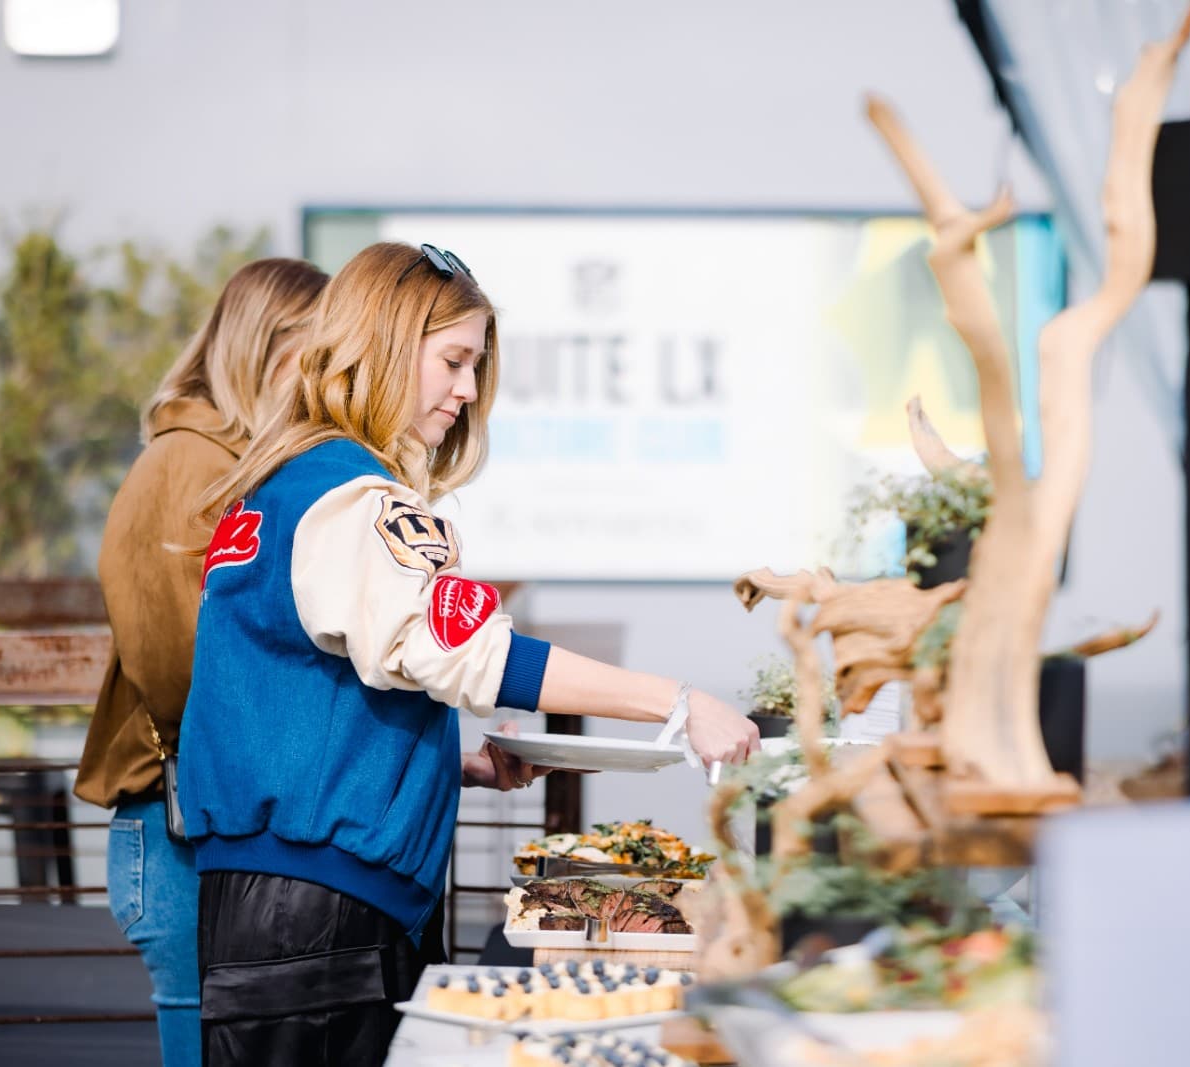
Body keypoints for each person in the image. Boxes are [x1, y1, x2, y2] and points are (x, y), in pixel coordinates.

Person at [178, 240, 760, 1065]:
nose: (467, 389)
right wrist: (679, 702)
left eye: (476, 366)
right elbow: (482, 656)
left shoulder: (285, 488)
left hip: (271, 913)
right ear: (382, 343)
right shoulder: (356, 500)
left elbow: (286, 710)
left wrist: (450, 763)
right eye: (453, 359)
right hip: (323, 919)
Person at [74, 257, 330, 1066]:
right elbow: (175, 661)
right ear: (269, 345)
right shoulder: (186, 462)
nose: (331, 373)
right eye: (317, 349)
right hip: (179, 826)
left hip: (208, 824)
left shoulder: (234, 462)